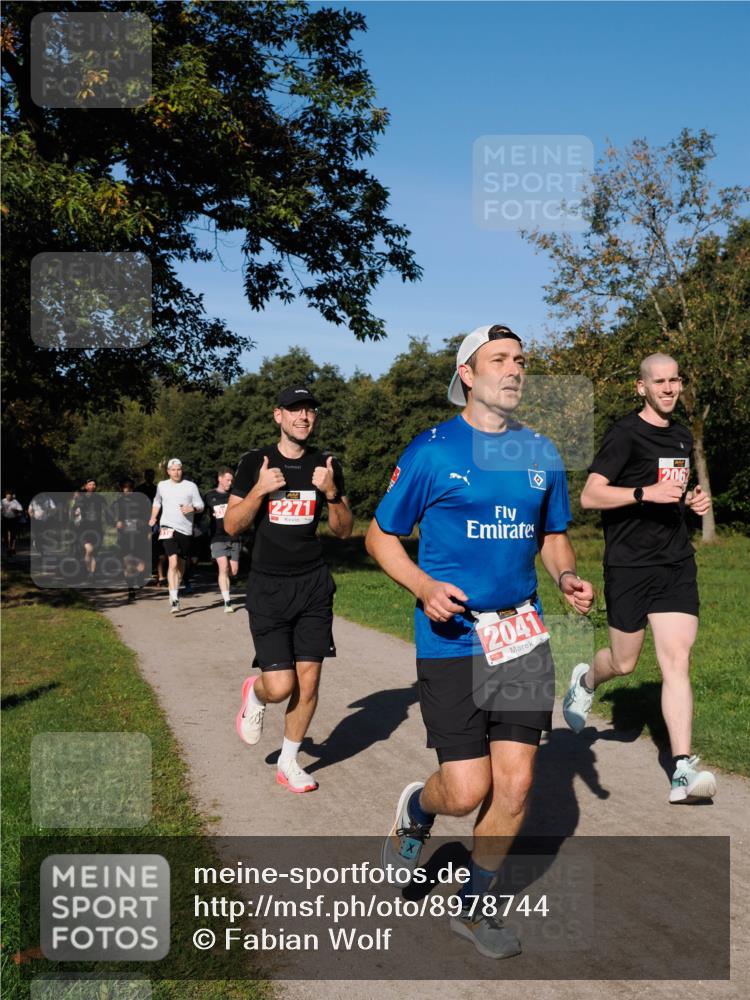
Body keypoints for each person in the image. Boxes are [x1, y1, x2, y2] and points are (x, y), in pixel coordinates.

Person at [365, 324, 594, 960]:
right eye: (499, 360)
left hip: (521, 634)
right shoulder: (433, 451)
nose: (515, 370)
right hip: (453, 638)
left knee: (515, 786)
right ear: (467, 373)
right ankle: (417, 808)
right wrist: (421, 585)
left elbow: (551, 535)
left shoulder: (541, 452)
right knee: (465, 791)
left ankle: (475, 907)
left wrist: (567, 574)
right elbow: (381, 536)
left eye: (520, 360)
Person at [564, 352, 716, 803]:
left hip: (674, 563)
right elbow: (590, 496)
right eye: (659, 381)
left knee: (676, 661)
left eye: (675, 380)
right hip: (629, 565)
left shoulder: (684, 436)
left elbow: (675, 489)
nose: (669, 388)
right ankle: (587, 680)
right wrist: (642, 493)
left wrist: (691, 502)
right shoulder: (624, 434)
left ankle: (683, 770)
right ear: (641, 387)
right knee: (625, 662)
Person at [224, 384, 353, 794]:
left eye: (310, 411)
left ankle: (288, 761)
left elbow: (344, 530)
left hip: (313, 583)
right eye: (295, 410)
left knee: (309, 681)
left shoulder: (326, 464)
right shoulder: (254, 463)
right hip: (268, 586)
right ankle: (256, 694)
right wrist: (260, 490)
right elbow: (231, 526)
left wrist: (331, 493)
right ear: (278, 415)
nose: (304, 417)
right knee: (281, 686)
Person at [148, 459, 204, 613]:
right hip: (167, 527)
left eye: (179, 469)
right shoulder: (162, 486)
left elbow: (201, 506)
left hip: (185, 530)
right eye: (173, 470)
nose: (176, 472)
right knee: (172, 562)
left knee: (180, 565)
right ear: (168, 471)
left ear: (182, 470)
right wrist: (153, 517)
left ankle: (175, 588)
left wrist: (192, 508)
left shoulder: (190, 486)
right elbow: (157, 502)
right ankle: (174, 599)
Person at [204, 466, 240, 613]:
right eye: (227, 480)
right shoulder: (209, 496)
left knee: (234, 571)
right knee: (223, 567)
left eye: (231, 480)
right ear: (219, 479)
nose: (230, 483)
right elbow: (199, 511)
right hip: (217, 537)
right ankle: (227, 602)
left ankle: (226, 585)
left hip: (234, 536)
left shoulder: (235, 495)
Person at [112, 478, 148, 602]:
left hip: (138, 536)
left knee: (140, 564)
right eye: (125, 489)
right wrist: (116, 522)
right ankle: (130, 589)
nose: (128, 492)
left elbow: (147, 517)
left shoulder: (140, 501)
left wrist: (141, 524)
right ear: (122, 490)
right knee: (127, 563)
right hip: (124, 537)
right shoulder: (118, 503)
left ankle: (140, 577)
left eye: (130, 489)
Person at [71, 478, 108, 582]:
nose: (92, 486)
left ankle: (91, 573)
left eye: (94, 484)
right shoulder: (81, 498)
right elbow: (74, 510)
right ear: (86, 486)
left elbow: (107, 511)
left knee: (93, 553)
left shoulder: (100, 498)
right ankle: (89, 573)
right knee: (89, 550)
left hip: (97, 528)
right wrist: (75, 512)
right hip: (85, 528)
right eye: (90, 484)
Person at [2, 489, 24, 557]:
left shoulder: (15, 501)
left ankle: (12, 548)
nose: (8, 498)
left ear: (12, 496)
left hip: (13, 519)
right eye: (7, 497)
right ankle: (8, 548)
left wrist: (15, 510)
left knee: (13, 535)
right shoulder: (2, 501)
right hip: (5, 519)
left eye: (10, 497)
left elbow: (21, 509)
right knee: (6, 535)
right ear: (5, 496)